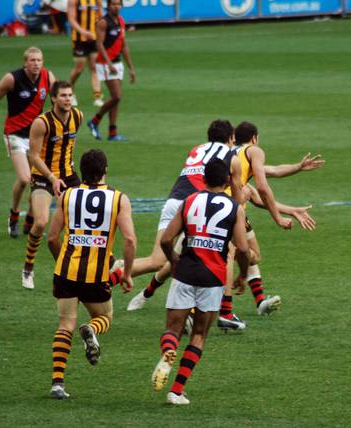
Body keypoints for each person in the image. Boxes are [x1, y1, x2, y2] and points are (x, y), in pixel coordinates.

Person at [150, 158, 250, 405]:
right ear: (227, 180)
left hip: (185, 272)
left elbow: (166, 239)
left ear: (204, 179)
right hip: (213, 278)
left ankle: (169, 350)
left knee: (173, 329)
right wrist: (243, 275)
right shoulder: (234, 208)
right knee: (199, 334)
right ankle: (176, 391)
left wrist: (174, 262)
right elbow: (244, 248)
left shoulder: (189, 201)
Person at [124, 119, 246, 309]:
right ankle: (223, 312)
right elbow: (237, 200)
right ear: (231, 138)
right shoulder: (232, 157)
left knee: (157, 260)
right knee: (223, 252)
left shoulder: (196, 149)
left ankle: (111, 273)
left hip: (174, 202)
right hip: (195, 207)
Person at [47, 148, 136, 399]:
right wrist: (127, 273)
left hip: (65, 271)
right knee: (105, 316)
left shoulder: (67, 196)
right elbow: (129, 239)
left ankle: (57, 384)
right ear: (105, 170)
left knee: (65, 325)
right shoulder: (119, 199)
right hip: (95, 277)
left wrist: (62, 261)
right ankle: (93, 329)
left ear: (81, 172)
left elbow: (52, 237)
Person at [217, 121, 322, 330]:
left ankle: (259, 301)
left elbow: (272, 171)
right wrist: (278, 219)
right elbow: (263, 189)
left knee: (248, 253)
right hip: (229, 210)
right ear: (255, 137)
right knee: (239, 253)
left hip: (218, 206)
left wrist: (298, 169)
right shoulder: (254, 151)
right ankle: (223, 310)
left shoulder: (233, 153)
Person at [0, 47, 56, 238]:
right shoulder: (12, 79)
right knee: (25, 178)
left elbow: (57, 101)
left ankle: (31, 218)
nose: (36, 64)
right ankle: (14, 215)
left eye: (39, 60)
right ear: (25, 63)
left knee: (39, 179)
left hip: (36, 137)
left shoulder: (48, 77)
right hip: (14, 134)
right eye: (32, 60)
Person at [23, 81, 83, 290]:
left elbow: (68, 147)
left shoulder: (78, 116)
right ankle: (28, 268)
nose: (67, 99)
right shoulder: (42, 123)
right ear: (54, 99)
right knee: (40, 223)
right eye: (63, 96)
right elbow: (33, 155)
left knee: (80, 223)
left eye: (69, 95)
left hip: (69, 177)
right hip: (43, 177)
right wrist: (51, 177)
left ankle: (72, 268)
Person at [86, 0, 135, 142]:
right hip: (106, 64)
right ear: (108, 5)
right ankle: (94, 121)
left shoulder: (121, 21)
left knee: (115, 100)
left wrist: (131, 67)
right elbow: (99, 44)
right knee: (117, 96)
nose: (116, 6)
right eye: (113, 4)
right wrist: (108, 63)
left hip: (118, 63)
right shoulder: (103, 22)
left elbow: (124, 45)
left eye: (118, 4)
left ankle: (112, 133)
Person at [67, 0, 103, 107]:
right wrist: (83, 32)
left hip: (94, 38)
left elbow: (100, 16)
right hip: (79, 39)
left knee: (94, 67)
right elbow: (71, 20)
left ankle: (97, 97)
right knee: (79, 68)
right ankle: (70, 92)